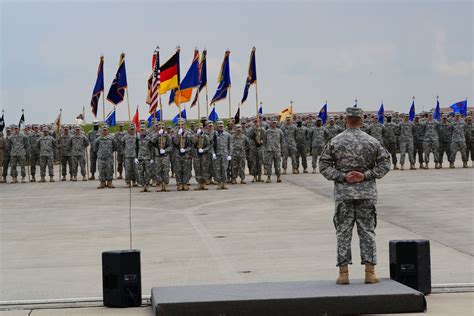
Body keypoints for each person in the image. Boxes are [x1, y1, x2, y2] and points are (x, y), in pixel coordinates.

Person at [319, 107, 391, 285]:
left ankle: (343, 274)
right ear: (361, 120)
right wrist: (365, 175)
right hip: (366, 193)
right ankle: (370, 273)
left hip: (344, 193)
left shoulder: (336, 141)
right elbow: (385, 163)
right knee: (367, 231)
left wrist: (343, 176)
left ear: (346, 119)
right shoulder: (372, 141)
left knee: (343, 232)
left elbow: (323, 166)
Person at [173, 119, 193, 191]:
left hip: (186, 154)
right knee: (178, 170)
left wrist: (186, 150)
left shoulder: (188, 133)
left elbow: (192, 144)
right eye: (179, 125)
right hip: (177, 154)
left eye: (182, 125)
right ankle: (179, 184)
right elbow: (175, 143)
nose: (181, 126)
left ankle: (185, 183)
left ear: (185, 125)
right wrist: (179, 135)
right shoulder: (175, 132)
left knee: (186, 169)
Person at [212, 120, 232, 190]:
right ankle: (219, 183)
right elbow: (211, 145)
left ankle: (224, 183)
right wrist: (213, 153)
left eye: (222, 126)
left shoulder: (227, 135)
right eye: (219, 126)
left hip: (225, 155)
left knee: (224, 169)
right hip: (217, 154)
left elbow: (230, 145)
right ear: (216, 126)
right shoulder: (214, 135)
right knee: (217, 169)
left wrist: (230, 154)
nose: (220, 127)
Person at [263, 119, 284, 183]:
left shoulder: (279, 131)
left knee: (277, 164)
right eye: (272, 123)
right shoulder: (267, 131)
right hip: (269, 150)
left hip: (277, 150)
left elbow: (282, 140)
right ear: (270, 124)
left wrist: (281, 148)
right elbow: (264, 141)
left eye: (275, 123)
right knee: (269, 164)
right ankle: (268, 177)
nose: (274, 124)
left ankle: (278, 177)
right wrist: (266, 148)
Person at [192, 124, 212, 190]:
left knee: (204, 169)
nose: (199, 129)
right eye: (198, 128)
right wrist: (197, 136)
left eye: (201, 128)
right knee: (197, 169)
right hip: (196, 155)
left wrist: (203, 150)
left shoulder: (205, 137)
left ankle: (204, 183)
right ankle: (199, 183)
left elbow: (209, 146)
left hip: (204, 155)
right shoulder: (194, 136)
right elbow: (193, 143)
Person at [136, 127, 155, 192]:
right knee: (140, 172)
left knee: (148, 172)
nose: (142, 132)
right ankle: (143, 185)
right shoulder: (137, 139)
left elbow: (152, 149)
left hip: (147, 158)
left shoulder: (149, 139)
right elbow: (136, 148)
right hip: (140, 158)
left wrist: (152, 158)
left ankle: (147, 185)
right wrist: (135, 157)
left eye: (143, 130)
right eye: (141, 130)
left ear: (145, 131)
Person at [248, 118, 265, 182]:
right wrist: (254, 129)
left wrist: (261, 141)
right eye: (255, 122)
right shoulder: (251, 129)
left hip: (260, 147)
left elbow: (264, 137)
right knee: (254, 162)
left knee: (260, 162)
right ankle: (254, 176)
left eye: (257, 122)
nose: (256, 123)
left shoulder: (262, 129)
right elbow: (249, 136)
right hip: (253, 147)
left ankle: (259, 176)